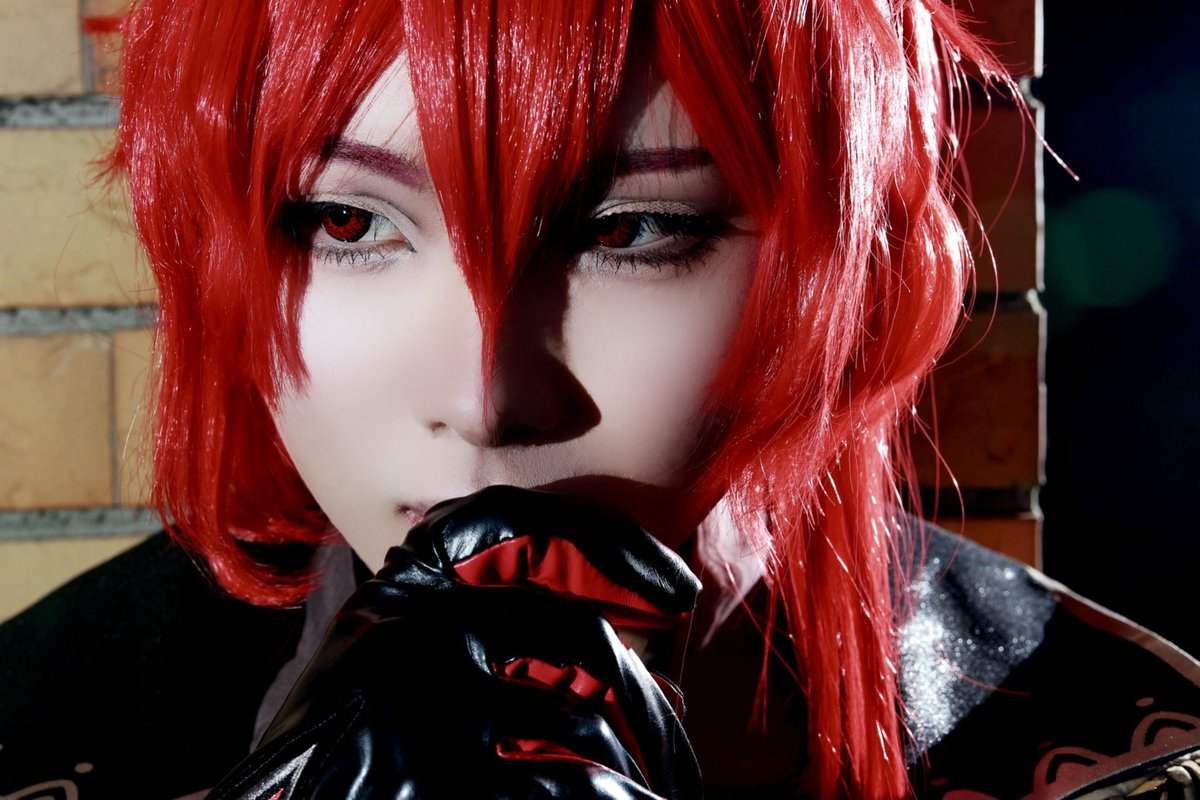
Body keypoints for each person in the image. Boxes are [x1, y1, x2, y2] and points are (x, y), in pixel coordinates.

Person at [2, 0, 1200, 797]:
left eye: (634, 230)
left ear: (846, 262)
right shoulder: (40, 724)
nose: (485, 396)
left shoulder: (1133, 754)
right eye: (348, 221)